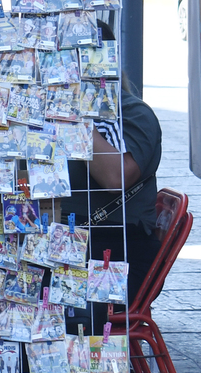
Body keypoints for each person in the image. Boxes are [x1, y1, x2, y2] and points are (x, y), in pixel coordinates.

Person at [61, 22, 163, 306]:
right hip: (72, 237)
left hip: (116, 248)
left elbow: (116, 178)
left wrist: (77, 115)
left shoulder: (134, 114)